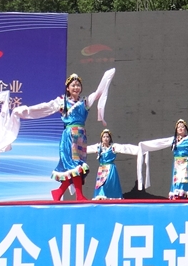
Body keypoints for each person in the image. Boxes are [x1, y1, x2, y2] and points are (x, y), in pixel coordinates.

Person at [9, 69, 115, 202]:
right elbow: (44, 107)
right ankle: (79, 196)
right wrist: (27, 110)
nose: (76, 87)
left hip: (81, 137)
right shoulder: (62, 102)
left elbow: (98, 93)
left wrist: (106, 77)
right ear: (68, 88)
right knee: (75, 165)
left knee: (76, 167)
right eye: (73, 85)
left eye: (78, 85)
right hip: (69, 137)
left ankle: (58, 192)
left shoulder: (85, 101)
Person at [92, 129, 123, 200]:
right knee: (101, 185)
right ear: (101, 138)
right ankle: (101, 197)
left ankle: (112, 197)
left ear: (110, 138)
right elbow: (86, 149)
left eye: (107, 137)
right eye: (104, 137)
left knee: (110, 183)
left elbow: (125, 148)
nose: (105, 138)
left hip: (111, 168)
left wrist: (139, 150)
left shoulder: (113, 147)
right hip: (102, 168)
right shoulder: (98, 147)